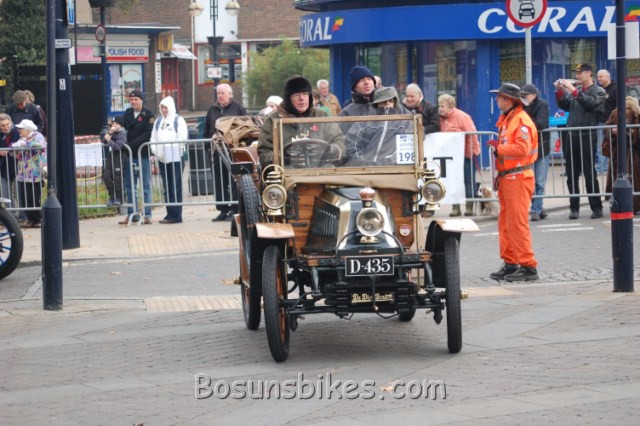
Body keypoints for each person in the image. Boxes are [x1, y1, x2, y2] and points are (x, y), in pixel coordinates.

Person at [487, 83, 539, 282]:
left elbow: (522, 149)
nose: (496, 100)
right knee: (506, 223)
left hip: (518, 177)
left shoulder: (520, 120)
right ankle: (510, 262)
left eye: (499, 97)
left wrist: (499, 149)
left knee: (517, 223)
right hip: (509, 177)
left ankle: (528, 266)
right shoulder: (510, 119)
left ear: (508, 100)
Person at [258, 75, 346, 167]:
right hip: (287, 172)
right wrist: (283, 158)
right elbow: (264, 152)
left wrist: (331, 151)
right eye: (296, 95)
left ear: (310, 96)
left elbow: (339, 141)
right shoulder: (274, 121)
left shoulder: (321, 115)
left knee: (330, 168)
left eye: (305, 94)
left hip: (320, 170)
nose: (302, 98)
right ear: (288, 98)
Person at [555, 63, 605, 219]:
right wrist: (560, 91)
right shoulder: (576, 90)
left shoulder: (598, 91)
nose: (577, 76)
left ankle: (596, 207)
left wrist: (574, 91)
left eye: (580, 73)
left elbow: (591, 105)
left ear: (589, 73)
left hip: (587, 135)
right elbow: (564, 105)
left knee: (589, 173)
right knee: (571, 174)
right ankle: (574, 208)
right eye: (576, 73)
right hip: (572, 135)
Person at [205, 83, 246, 221]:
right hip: (216, 152)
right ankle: (223, 209)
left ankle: (234, 209)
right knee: (219, 181)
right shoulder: (212, 109)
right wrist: (208, 147)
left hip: (232, 151)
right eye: (218, 93)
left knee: (233, 180)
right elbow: (207, 129)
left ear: (230, 94)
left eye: (223, 93)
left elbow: (245, 129)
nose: (220, 96)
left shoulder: (238, 109)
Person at [344, 86, 413, 165]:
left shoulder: (405, 123)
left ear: (395, 103)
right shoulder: (365, 122)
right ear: (376, 104)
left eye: (391, 101)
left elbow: (407, 149)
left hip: (395, 169)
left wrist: (386, 163)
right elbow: (352, 143)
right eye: (383, 101)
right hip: (365, 169)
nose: (387, 103)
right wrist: (362, 163)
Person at [438, 93, 480, 216]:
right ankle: (455, 207)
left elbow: (472, 134)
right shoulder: (441, 119)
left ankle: (469, 207)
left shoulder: (462, 117)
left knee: (468, 180)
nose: (440, 109)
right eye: (439, 106)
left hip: (466, 154)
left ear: (451, 106)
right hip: (451, 156)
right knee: (453, 180)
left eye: (442, 106)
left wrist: (470, 152)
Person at [150, 96, 188, 224]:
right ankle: (169, 212)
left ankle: (176, 215)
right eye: (162, 108)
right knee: (167, 186)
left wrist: (173, 149)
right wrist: (156, 150)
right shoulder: (158, 121)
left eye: (165, 107)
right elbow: (153, 138)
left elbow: (182, 137)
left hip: (175, 158)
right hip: (162, 158)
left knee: (175, 186)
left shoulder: (179, 120)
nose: (164, 110)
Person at [121, 89, 155, 225]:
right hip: (130, 154)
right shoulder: (128, 113)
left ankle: (147, 214)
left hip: (143, 153)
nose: (133, 102)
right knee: (130, 186)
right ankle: (132, 214)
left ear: (141, 100)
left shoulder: (149, 114)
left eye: (136, 99)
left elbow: (148, 133)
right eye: (131, 100)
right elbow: (123, 128)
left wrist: (131, 144)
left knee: (145, 185)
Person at [602, 96, 640, 215]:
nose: (627, 110)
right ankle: (626, 205)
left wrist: (628, 133)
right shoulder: (616, 114)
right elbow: (607, 128)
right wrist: (613, 131)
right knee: (625, 178)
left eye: (629, 108)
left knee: (628, 178)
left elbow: (637, 136)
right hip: (621, 151)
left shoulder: (636, 116)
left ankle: (629, 205)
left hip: (628, 152)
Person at [521, 83, 550, 221]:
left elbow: (540, 124)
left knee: (539, 181)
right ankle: (538, 207)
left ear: (534, 95)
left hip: (541, 148)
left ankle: (536, 210)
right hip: (527, 149)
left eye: (526, 95)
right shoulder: (521, 106)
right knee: (530, 181)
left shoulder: (542, 105)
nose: (524, 97)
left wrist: (524, 121)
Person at [12, 119, 47, 228]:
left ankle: (38, 219)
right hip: (23, 174)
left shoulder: (37, 136)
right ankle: (30, 219)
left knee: (34, 198)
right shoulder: (22, 138)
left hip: (34, 174)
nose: (19, 131)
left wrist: (26, 143)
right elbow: (16, 154)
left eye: (21, 129)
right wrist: (15, 148)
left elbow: (40, 147)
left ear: (27, 129)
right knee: (24, 198)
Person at [101, 115, 127, 208]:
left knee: (117, 178)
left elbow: (118, 146)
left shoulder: (122, 133)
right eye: (113, 123)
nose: (114, 125)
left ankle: (119, 198)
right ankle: (112, 196)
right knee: (106, 176)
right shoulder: (113, 132)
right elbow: (104, 141)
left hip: (119, 156)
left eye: (116, 124)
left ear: (121, 125)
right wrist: (109, 133)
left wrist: (109, 140)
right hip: (111, 156)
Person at [596, 69, 616, 175]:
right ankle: (601, 167)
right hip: (599, 122)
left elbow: (619, 107)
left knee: (609, 145)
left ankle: (605, 168)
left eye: (601, 76)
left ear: (608, 77)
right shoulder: (598, 90)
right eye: (598, 77)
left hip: (611, 123)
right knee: (600, 146)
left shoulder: (615, 89)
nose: (599, 79)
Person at [0, 113, 19, 215]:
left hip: (17, 166)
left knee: (18, 194)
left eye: (7, 124)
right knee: (6, 194)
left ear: (11, 122)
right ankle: (11, 216)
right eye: (3, 125)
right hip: (4, 167)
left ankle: (23, 217)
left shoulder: (17, 131)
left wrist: (9, 150)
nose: (6, 127)